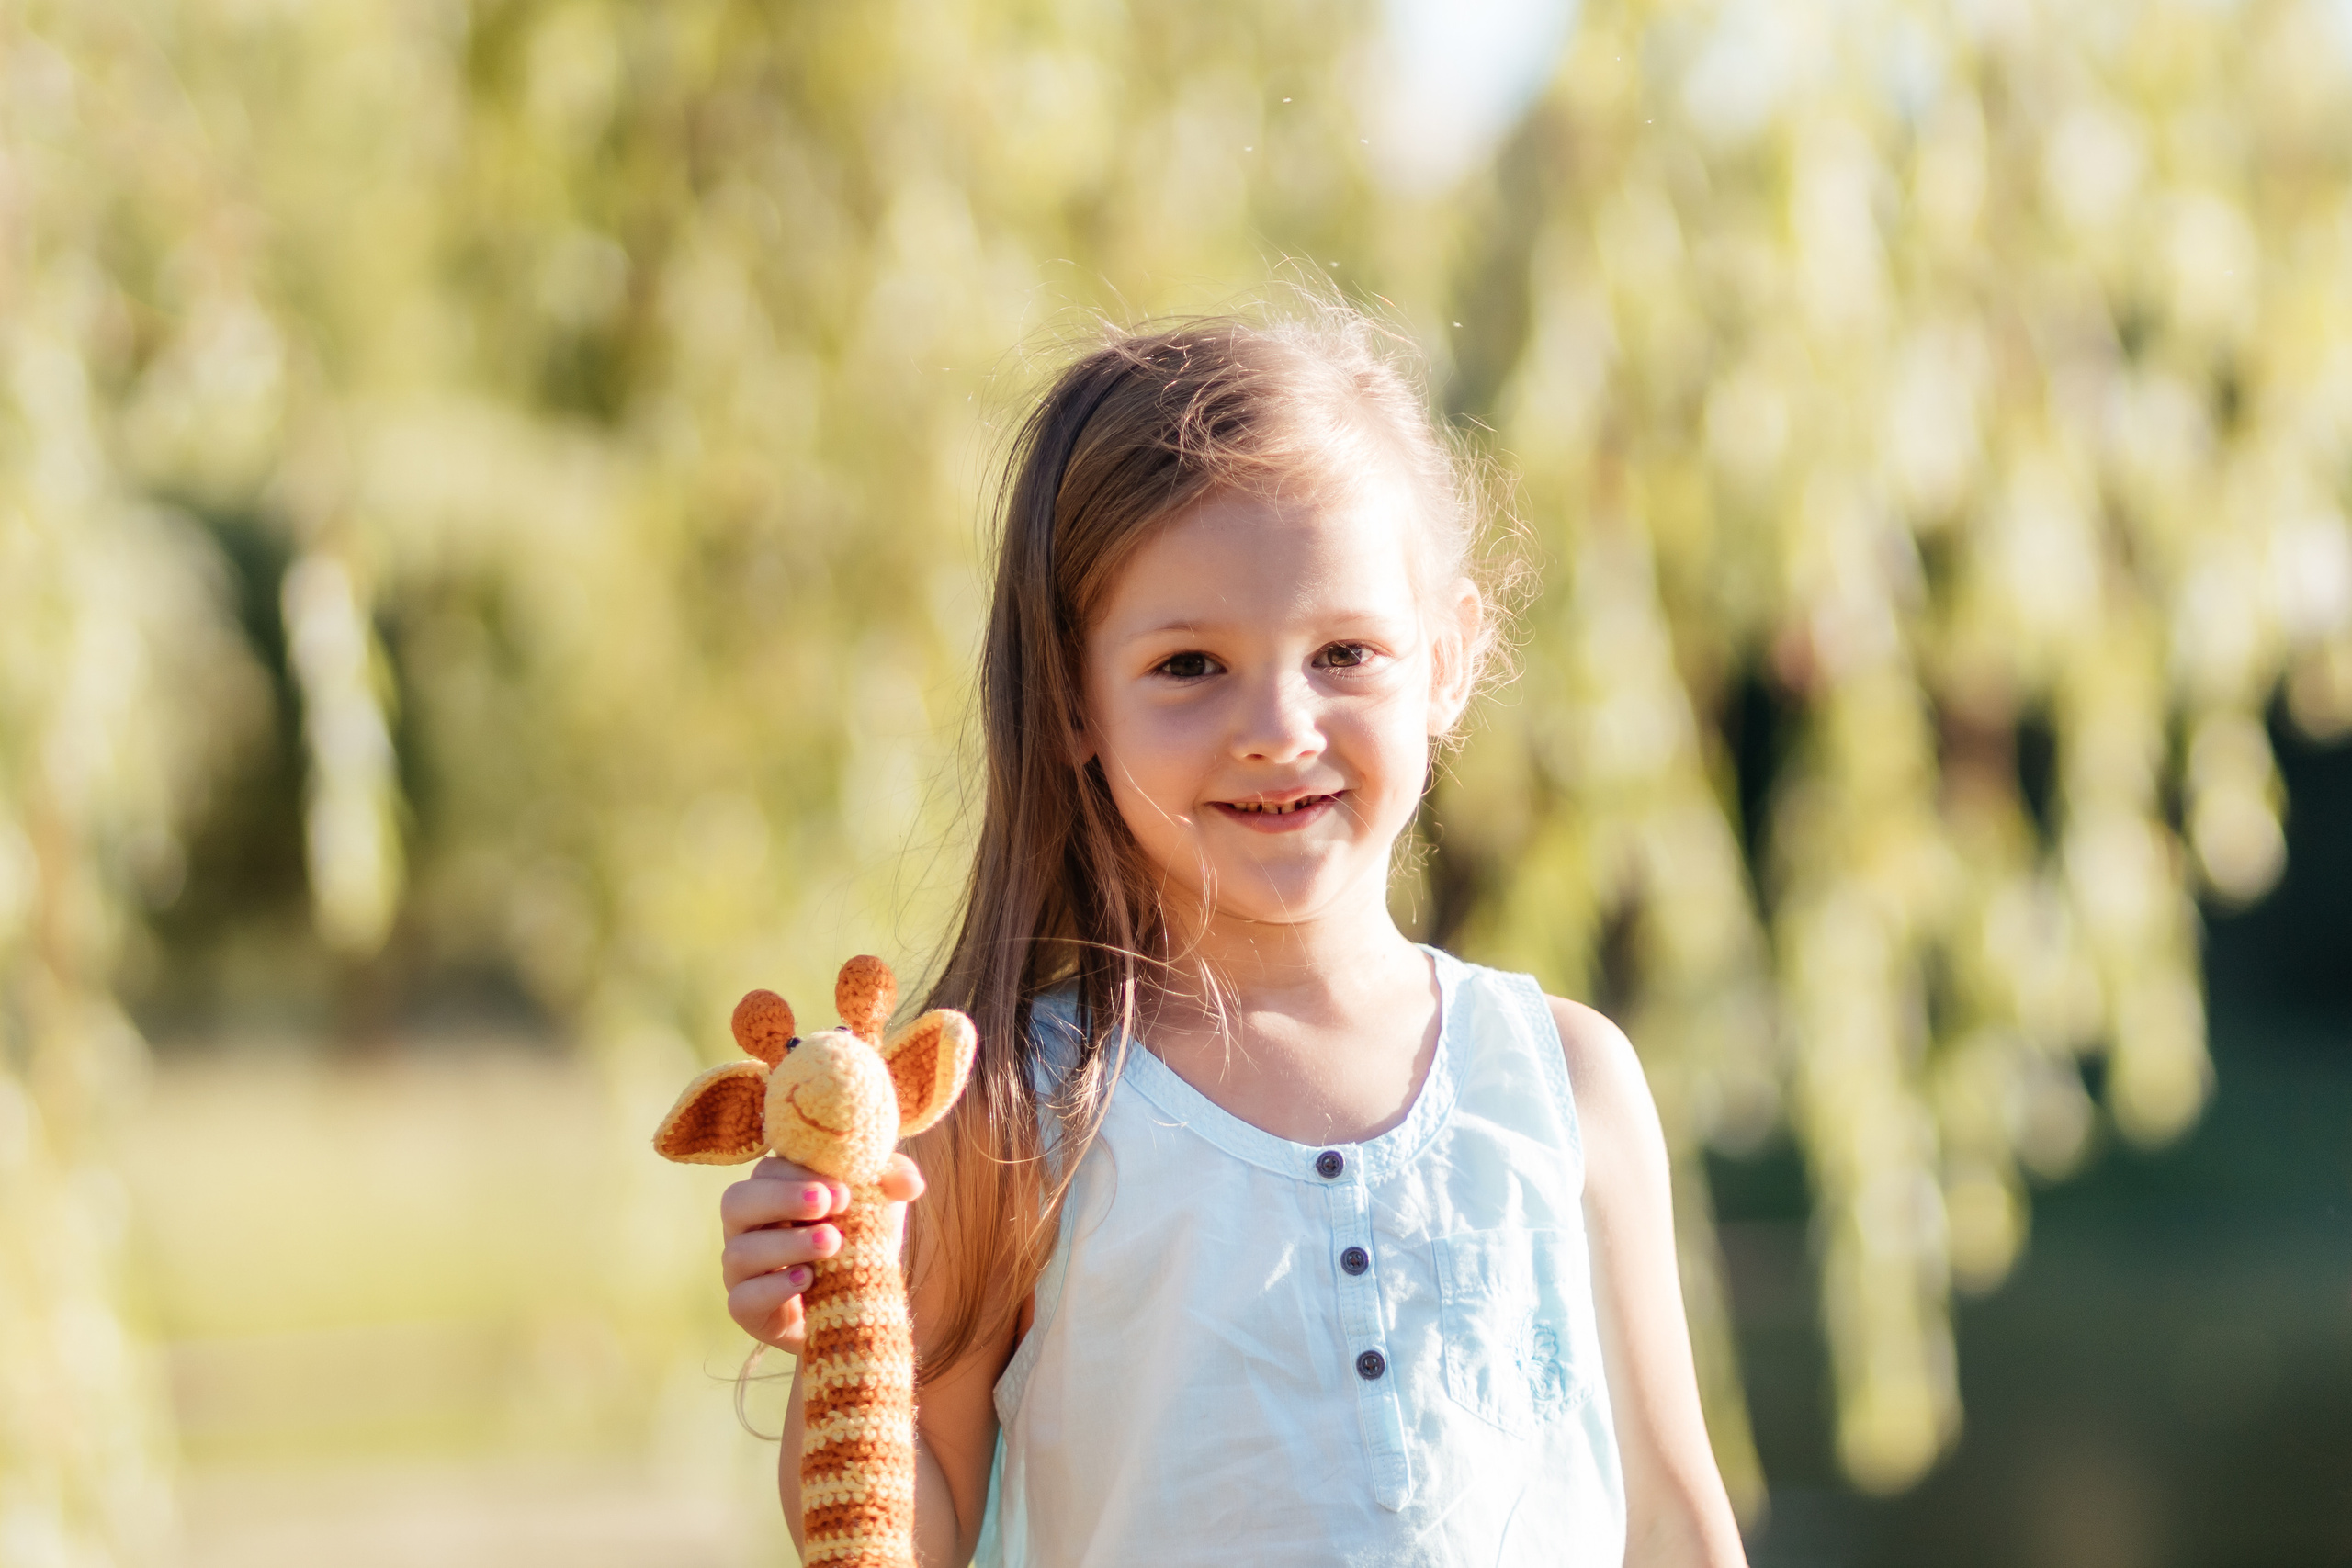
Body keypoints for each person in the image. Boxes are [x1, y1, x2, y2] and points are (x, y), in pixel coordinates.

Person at [715, 310, 1749, 1566]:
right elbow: (908, 1543)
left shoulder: (1564, 1082)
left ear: (1449, 660)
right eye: (1192, 664)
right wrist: (841, 1327)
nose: (1277, 725)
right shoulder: (1010, 1113)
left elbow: (1672, 1521)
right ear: (1074, 702)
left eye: (1345, 652)